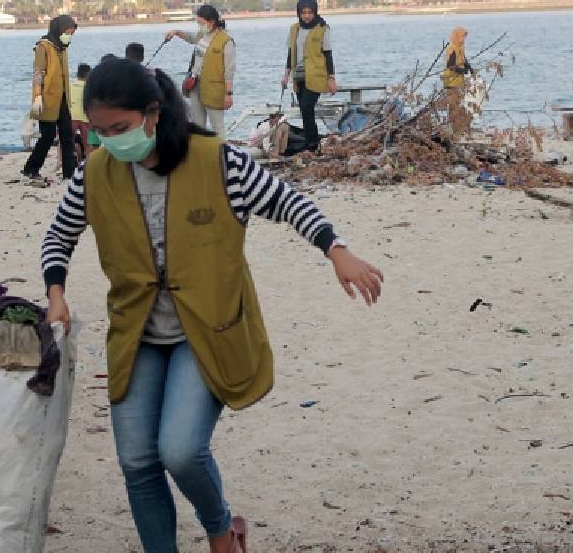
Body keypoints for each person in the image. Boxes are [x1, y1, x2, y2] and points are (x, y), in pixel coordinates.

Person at [40, 57, 383, 553]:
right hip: (136, 335)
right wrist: (56, 293)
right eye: (99, 131)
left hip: (207, 334)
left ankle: (222, 529)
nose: (110, 141)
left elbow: (288, 201)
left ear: (152, 114)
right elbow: (58, 236)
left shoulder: (218, 162)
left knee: (179, 451)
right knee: (137, 461)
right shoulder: (96, 173)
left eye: (120, 128)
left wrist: (337, 249)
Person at [164, 4, 236, 135]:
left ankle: (221, 153)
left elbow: (229, 71)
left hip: (214, 89)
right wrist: (176, 32)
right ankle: (199, 152)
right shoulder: (202, 34)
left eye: (202, 23)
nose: (200, 27)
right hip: (195, 85)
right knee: (197, 125)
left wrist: (228, 94)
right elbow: (192, 38)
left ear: (212, 21)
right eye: (198, 23)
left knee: (217, 127)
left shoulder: (226, 41)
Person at [23, 15, 77, 180]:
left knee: (67, 135)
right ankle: (31, 168)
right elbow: (38, 73)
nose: (69, 36)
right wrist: (38, 96)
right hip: (47, 99)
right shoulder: (43, 46)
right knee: (47, 136)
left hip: (63, 99)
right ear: (59, 30)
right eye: (67, 32)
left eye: (71, 33)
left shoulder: (63, 48)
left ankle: (70, 173)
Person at [281, 0, 336, 151]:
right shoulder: (294, 29)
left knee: (306, 107)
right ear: (299, 12)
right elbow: (290, 53)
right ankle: (311, 143)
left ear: (315, 12)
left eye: (310, 12)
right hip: (299, 77)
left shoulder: (322, 29)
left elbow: (328, 54)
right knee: (305, 110)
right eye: (303, 13)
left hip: (317, 76)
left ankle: (312, 143)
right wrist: (286, 75)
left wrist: (331, 78)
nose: (306, 16)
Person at [70, 62, 92, 162]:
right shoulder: (88, 87)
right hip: (85, 118)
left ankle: (61, 161)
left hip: (72, 117)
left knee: (68, 141)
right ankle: (88, 159)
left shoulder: (70, 85)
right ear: (88, 74)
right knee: (87, 142)